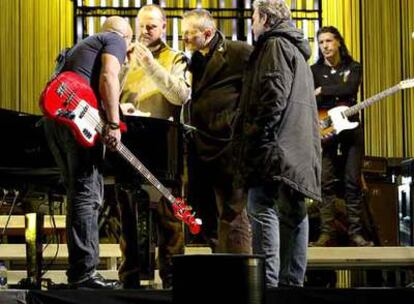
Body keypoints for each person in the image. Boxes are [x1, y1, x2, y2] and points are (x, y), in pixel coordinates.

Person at [234, 0, 321, 288]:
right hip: (296, 146)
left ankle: (267, 282)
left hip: (274, 145)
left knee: (260, 206)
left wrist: (257, 135)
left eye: (254, 17)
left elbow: (273, 94)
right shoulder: (296, 48)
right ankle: (291, 282)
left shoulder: (274, 46)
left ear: (267, 20)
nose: (252, 23)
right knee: (294, 211)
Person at [43, 16, 133, 289]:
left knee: (78, 194)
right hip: (76, 125)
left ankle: (79, 272)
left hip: (57, 121)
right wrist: (115, 122)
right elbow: (108, 76)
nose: (126, 54)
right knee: (88, 194)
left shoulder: (77, 48)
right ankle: (84, 274)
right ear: (125, 37)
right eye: (129, 47)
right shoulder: (114, 39)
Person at [116, 4, 190, 289]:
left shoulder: (175, 57)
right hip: (129, 141)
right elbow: (108, 90)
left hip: (163, 144)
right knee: (127, 213)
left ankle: (173, 279)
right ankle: (129, 277)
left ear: (164, 28)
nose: (145, 31)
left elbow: (180, 95)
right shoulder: (124, 55)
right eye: (141, 26)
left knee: (169, 218)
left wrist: (150, 64)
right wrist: (117, 105)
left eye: (151, 26)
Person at [181, 9, 253, 253]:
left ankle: (239, 276)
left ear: (208, 33)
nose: (183, 40)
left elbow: (257, 91)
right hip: (202, 145)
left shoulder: (239, 52)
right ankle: (220, 268)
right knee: (208, 215)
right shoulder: (196, 59)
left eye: (188, 35)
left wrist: (234, 123)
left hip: (227, 145)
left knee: (233, 215)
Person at [310, 26, 373, 247]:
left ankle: (355, 233)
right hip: (324, 131)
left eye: (329, 41)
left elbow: (350, 89)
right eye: (321, 42)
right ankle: (327, 233)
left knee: (352, 182)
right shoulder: (314, 70)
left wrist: (322, 91)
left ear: (338, 42)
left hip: (351, 129)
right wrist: (330, 90)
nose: (325, 46)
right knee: (324, 182)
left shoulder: (353, 67)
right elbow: (310, 98)